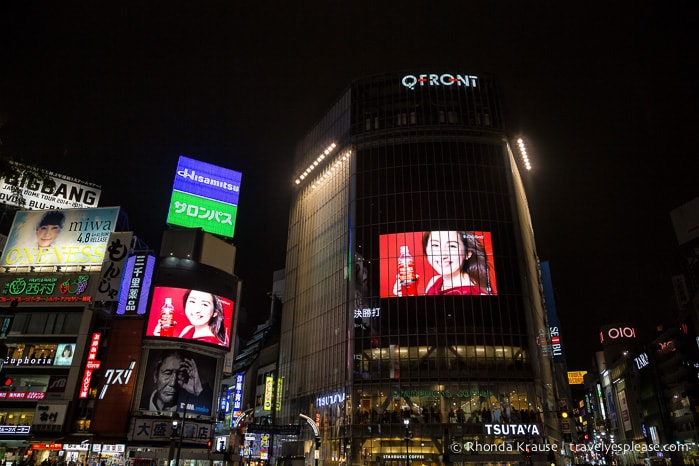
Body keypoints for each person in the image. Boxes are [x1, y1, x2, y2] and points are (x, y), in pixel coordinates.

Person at [422, 230, 491, 295]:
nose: (442, 255)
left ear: (467, 253)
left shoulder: (478, 293)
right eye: (435, 245)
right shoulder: (434, 281)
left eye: (452, 246)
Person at [146, 351, 212, 413]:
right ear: (155, 376)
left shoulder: (192, 405)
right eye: (168, 373)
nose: (173, 383)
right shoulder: (140, 403)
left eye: (180, 374)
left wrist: (198, 391)